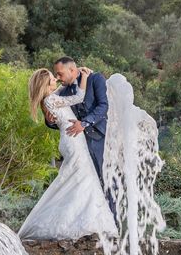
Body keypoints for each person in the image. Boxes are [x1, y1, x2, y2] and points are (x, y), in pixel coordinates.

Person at [18, 65, 117, 241]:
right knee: (83, 177)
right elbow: (79, 97)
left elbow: (64, 90)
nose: (56, 79)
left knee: (77, 179)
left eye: (57, 76)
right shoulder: (51, 100)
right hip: (73, 141)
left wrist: (76, 74)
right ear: (46, 84)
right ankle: (84, 222)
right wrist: (84, 76)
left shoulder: (51, 98)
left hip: (72, 139)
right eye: (52, 78)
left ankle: (84, 219)